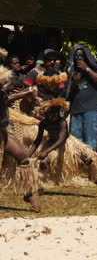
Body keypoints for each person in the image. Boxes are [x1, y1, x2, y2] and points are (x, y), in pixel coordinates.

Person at [0, 64, 41, 212]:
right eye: (7, 82)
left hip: (4, 131)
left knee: (23, 159)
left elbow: (9, 91)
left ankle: (29, 193)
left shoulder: (4, 91)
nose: (11, 83)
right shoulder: (3, 93)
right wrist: (21, 94)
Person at [65, 45, 97, 150]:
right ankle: (78, 166)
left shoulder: (93, 67)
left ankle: (91, 164)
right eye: (77, 55)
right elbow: (67, 94)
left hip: (91, 109)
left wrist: (87, 68)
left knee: (91, 142)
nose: (79, 57)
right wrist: (74, 82)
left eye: (81, 55)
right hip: (76, 110)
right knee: (76, 143)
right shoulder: (71, 71)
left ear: (85, 56)